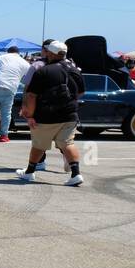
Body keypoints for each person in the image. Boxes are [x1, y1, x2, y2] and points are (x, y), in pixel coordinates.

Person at [16, 40, 84, 186]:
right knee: (67, 143)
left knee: (39, 145)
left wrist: (30, 115)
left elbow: (31, 95)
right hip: (70, 115)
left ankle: (29, 173)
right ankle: (76, 174)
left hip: (47, 116)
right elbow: (81, 91)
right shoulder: (74, 69)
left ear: (50, 53)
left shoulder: (44, 71)